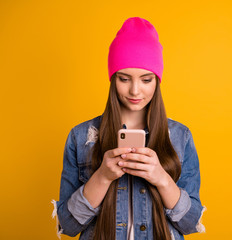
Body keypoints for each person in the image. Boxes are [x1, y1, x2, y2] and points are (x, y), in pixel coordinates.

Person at [51, 17, 206, 240]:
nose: (135, 90)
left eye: (146, 79)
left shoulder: (180, 137)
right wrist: (102, 177)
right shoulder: (80, 137)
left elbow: (191, 223)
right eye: (124, 79)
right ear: (113, 79)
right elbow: (68, 226)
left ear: (157, 81)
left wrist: (161, 178)